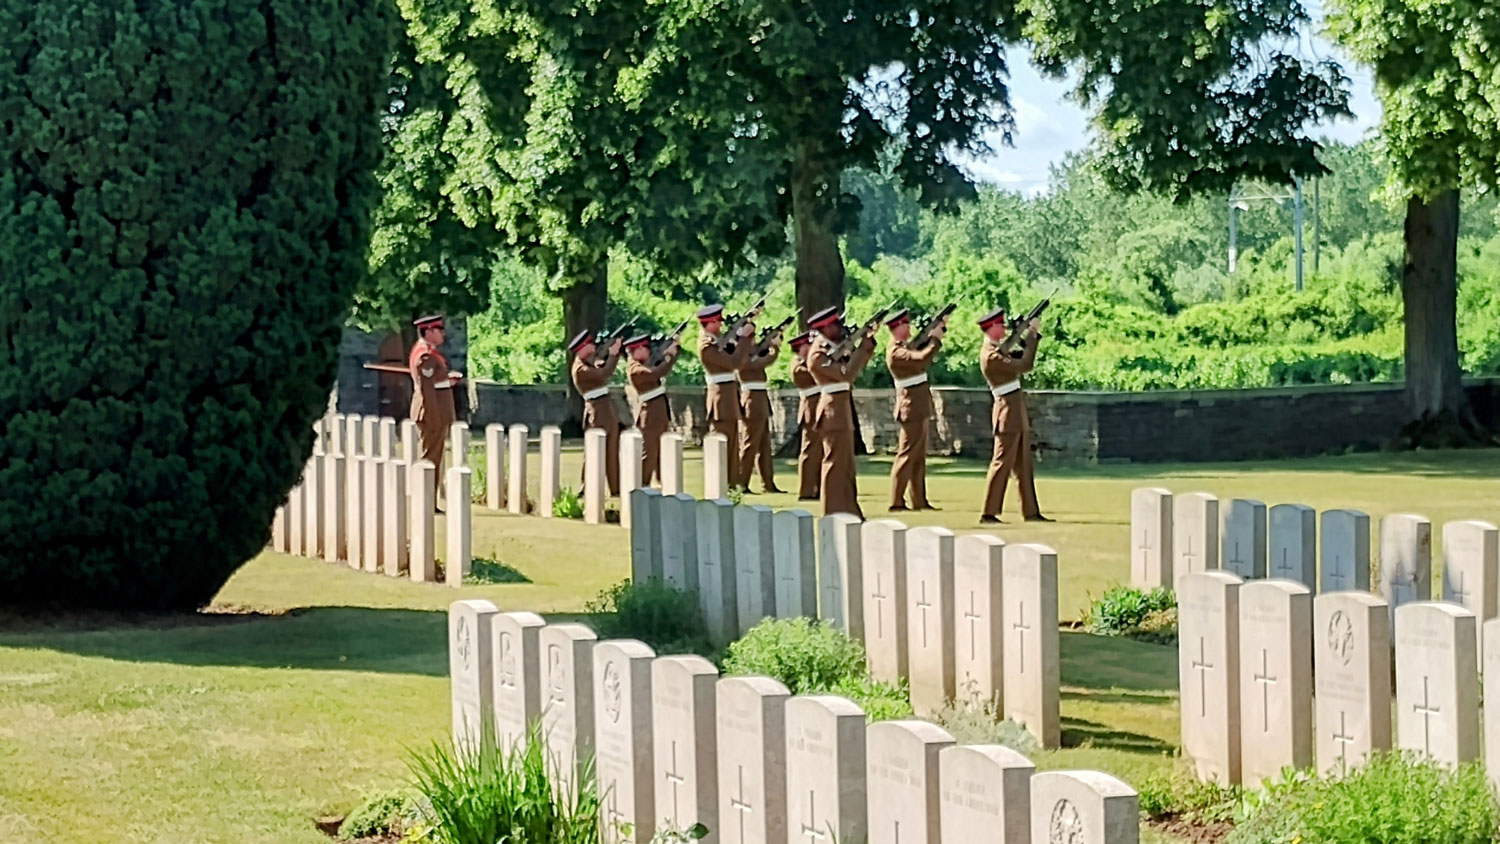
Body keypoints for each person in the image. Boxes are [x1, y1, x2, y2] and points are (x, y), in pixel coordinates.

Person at [978, 308, 1050, 524]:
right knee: (1001, 462)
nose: (1004, 328)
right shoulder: (991, 356)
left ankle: (1031, 511)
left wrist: (1025, 336)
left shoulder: (999, 350)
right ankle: (989, 512)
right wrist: (1032, 335)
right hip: (1007, 413)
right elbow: (1025, 365)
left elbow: (1018, 353)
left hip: (1015, 412)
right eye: (1000, 325)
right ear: (991, 328)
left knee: (1024, 465)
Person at [807, 306, 877, 517]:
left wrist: (866, 344)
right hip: (832, 412)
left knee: (846, 465)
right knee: (834, 463)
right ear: (825, 328)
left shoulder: (832, 348)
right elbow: (846, 374)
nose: (840, 328)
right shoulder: (818, 355)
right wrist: (862, 348)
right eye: (835, 325)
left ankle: (848, 508)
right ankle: (832, 510)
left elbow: (851, 369)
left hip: (841, 409)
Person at [884, 309, 945, 511]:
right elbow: (921, 359)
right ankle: (896, 500)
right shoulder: (896, 351)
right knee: (907, 455)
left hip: (918, 407)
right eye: (905, 325)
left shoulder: (905, 347)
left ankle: (919, 500)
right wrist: (935, 340)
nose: (909, 327)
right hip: (910, 408)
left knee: (918, 458)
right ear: (896, 328)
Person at [696, 304, 754, 484]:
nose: (721, 325)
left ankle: (732, 484)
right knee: (722, 446)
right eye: (718, 322)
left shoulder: (717, 341)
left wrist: (743, 334)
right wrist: (744, 338)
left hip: (728, 397)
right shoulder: (707, 345)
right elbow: (734, 362)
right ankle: (720, 484)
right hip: (720, 400)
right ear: (710, 322)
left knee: (732, 447)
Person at [408, 314, 462, 491]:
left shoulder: (426, 352)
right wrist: (434, 418)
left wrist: (447, 381)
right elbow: (427, 390)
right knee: (431, 458)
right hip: (431, 413)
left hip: (432, 412)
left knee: (434, 457)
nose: (443, 334)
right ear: (429, 331)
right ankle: (427, 500)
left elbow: (433, 383)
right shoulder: (426, 356)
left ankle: (429, 499)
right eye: (439, 330)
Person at [568, 330, 624, 497]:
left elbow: (600, 364)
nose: (593, 347)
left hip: (606, 409)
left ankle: (616, 489)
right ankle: (586, 488)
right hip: (597, 411)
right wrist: (613, 355)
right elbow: (603, 373)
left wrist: (611, 352)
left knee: (612, 453)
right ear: (582, 348)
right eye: (589, 345)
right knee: (595, 452)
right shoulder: (580, 369)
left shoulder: (589, 362)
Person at [624, 333, 679, 485]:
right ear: (638, 350)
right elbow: (656, 373)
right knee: (649, 452)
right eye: (646, 348)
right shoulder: (635, 369)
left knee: (662, 450)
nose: (649, 351)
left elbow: (661, 369)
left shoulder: (643, 364)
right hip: (649, 414)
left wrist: (672, 352)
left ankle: (663, 482)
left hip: (659, 412)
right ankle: (643, 483)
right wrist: (669, 357)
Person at [735, 322, 783, 493]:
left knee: (764, 446)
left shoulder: (751, 353)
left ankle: (768, 483)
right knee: (749, 444)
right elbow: (762, 362)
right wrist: (774, 349)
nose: (754, 341)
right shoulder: (741, 356)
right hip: (752, 400)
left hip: (760, 399)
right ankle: (741, 482)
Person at [788, 332, 822, 501]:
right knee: (810, 451)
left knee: (821, 451)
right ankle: (807, 490)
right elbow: (817, 375)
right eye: (808, 346)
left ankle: (819, 488)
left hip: (819, 407)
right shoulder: (798, 367)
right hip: (811, 409)